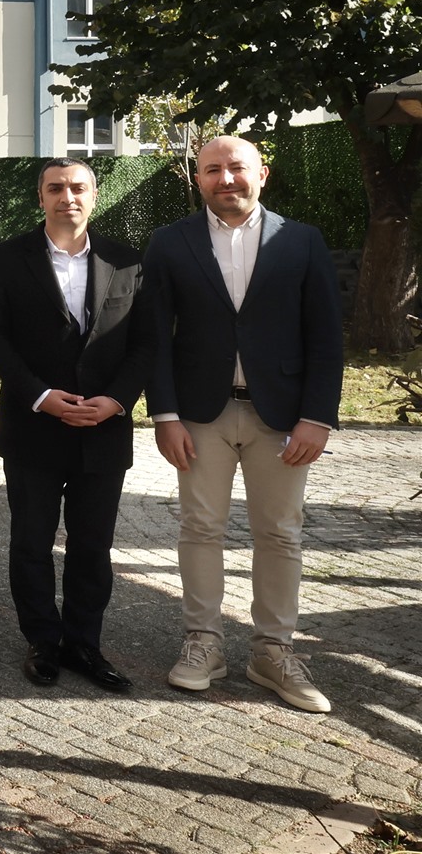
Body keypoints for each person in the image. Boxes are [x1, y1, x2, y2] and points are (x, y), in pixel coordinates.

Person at [145, 135, 344, 713]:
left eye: (237, 167)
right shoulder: (169, 242)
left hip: (281, 416)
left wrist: (317, 417)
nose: (225, 178)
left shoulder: (302, 241)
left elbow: (326, 335)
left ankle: (273, 652)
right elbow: (154, 336)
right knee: (200, 527)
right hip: (199, 414)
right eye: (212, 169)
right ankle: (203, 643)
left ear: (263, 173)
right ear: (198, 178)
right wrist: (164, 414)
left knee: (280, 532)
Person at [0, 158, 149, 692]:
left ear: (94, 197)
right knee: (31, 542)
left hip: (103, 427)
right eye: (55, 188)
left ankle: (83, 643)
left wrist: (117, 401)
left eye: (77, 188)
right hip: (34, 425)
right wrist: (40, 397)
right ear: (41, 197)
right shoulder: (7, 258)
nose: (67, 197)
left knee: (92, 546)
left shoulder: (127, 260)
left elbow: (145, 342)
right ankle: (42, 641)